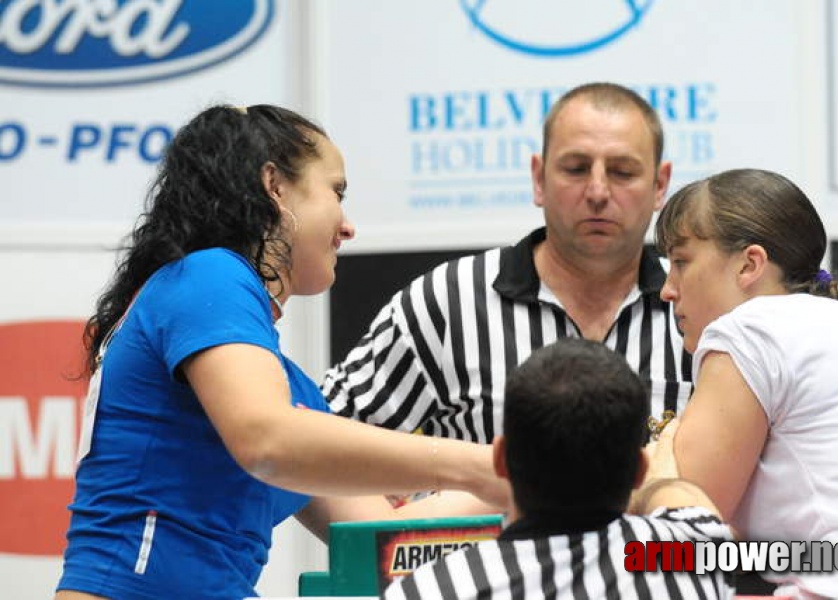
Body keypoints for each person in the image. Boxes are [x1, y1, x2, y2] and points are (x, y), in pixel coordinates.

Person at [55, 104, 506, 600]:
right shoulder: (210, 275)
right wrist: (478, 463)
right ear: (275, 186)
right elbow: (266, 439)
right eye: (337, 192)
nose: (349, 226)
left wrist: (532, 475)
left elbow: (383, 534)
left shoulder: (288, 394)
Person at [323, 82, 691, 444]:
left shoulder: (699, 308)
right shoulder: (448, 303)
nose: (597, 192)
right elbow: (323, 441)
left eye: (623, 172)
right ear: (538, 179)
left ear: (660, 185)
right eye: (576, 168)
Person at [655, 168, 838, 597]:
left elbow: (682, 536)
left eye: (681, 263)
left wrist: (658, 461)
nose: (667, 289)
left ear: (750, 264)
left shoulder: (753, 327)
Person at [383, 338, 735, 599]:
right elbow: (687, 500)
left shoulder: (429, 590)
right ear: (639, 471)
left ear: (500, 459)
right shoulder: (693, 552)